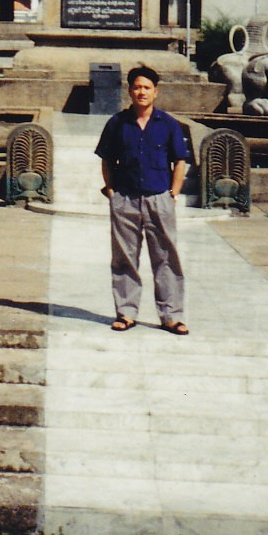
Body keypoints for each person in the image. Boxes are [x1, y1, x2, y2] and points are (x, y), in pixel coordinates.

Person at [95, 64, 190, 334]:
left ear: (155, 92)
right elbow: (106, 159)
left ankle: (171, 315)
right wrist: (111, 191)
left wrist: (173, 193)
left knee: (166, 258)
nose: (141, 92)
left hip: (159, 198)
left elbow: (180, 161)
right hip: (125, 199)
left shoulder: (169, 125)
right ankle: (126, 313)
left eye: (147, 87)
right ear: (130, 90)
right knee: (125, 258)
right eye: (137, 87)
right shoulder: (117, 123)